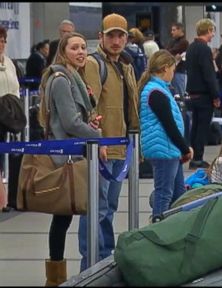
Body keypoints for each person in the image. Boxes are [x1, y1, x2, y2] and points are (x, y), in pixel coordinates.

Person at [38, 32, 102, 286]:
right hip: (65, 154)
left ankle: (58, 275)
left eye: (84, 47)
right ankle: (55, 277)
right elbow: (69, 122)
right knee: (63, 216)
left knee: (64, 216)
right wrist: (98, 134)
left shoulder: (75, 77)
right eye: (75, 48)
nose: (81, 52)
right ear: (63, 52)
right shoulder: (62, 79)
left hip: (74, 152)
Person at [78, 13, 139, 271]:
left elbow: (131, 109)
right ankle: (91, 265)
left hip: (121, 147)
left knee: (109, 207)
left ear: (126, 38)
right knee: (96, 208)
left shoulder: (125, 65)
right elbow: (89, 105)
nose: (116, 40)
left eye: (120, 35)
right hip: (102, 148)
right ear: (101, 37)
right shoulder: (94, 64)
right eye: (111, 35)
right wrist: (98, 140)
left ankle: (104, 261)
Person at [138, 49, 193, 222]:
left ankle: (174, 226)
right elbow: (169, 125)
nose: (173, 73)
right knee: (164, 193)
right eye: (172, 69)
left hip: (169, 149)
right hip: (164, 149)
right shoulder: (156, 92)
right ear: (164, 68)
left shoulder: (159, 90)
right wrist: (185, 148)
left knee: (178, 194)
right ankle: (158, 227)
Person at [185, 18, 220, 169]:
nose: (213, 35)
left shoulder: (191, 47)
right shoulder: (204, 49)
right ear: (208, 31)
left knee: (195, 126)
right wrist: (216, 95)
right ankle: (198, 158)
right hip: (204, 94)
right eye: (212, 31)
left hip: (193, 93)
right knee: (202, 128)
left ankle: (193, 154)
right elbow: (208, 74)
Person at [0, 25, 20, 210]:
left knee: (8, 157)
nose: (2, 44)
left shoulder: (9, 62)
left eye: (4, 40)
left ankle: (6, 199)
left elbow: (15, 87)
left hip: (8, 116)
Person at [166, 22, 189, 97]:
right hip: (172, 69)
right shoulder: (172, 41)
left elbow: (171, 51)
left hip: (179, 70)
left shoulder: (184, 42)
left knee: (179, 94)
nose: (171, 32)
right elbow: (167, 52)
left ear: (180, 30)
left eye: (174, 30)